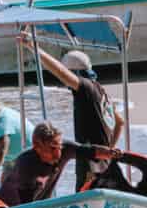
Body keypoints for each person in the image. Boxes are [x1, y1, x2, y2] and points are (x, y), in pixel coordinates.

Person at [30, 44, 121, 186]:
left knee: (85, 202)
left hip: (90, 164)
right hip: (103, 162)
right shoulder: (101, 91)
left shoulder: (85, 87)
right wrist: (108, 151)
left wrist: (34, 48)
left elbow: (60, 72)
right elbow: (120, 122)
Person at [0, 122, 66, 207]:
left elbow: (84, 150)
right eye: (52, 148)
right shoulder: (26, 163)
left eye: (60, 147)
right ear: (36, 146)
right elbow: (26, 206)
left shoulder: (64, 149)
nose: (57, 154)